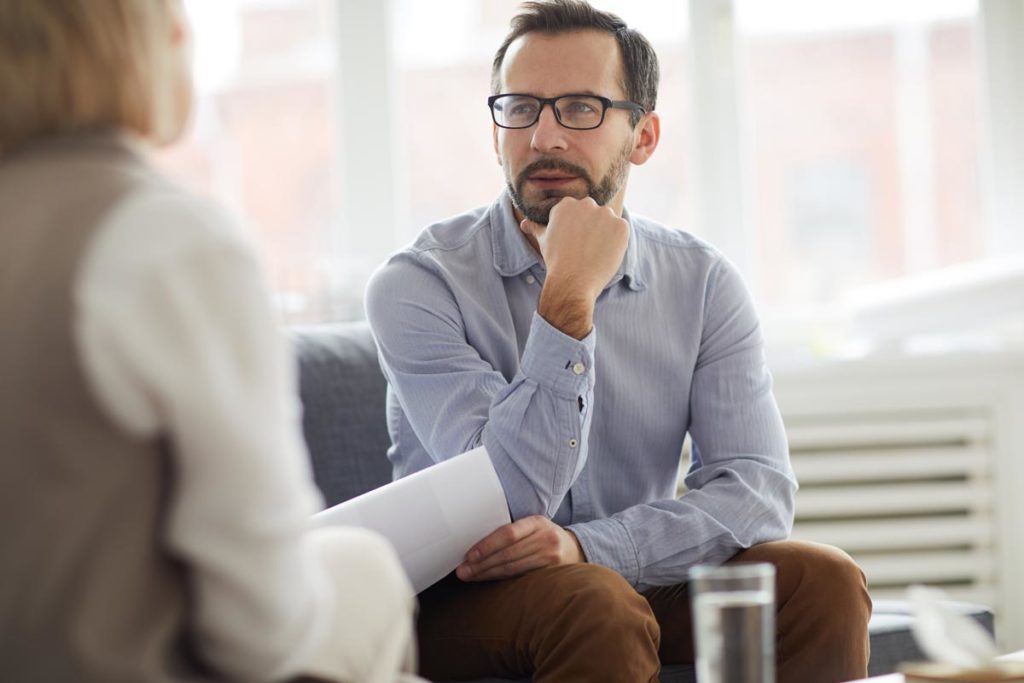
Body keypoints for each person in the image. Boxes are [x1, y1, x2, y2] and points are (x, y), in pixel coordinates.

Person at [365, 1, 872, 681]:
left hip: (619, 572)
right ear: (495, 133)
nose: (544, 136)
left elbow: (756, 490)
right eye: (520, 108)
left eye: (580, 108)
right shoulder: (418, 284)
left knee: (823, 581)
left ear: (644, 136)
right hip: (458, 599)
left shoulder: (702, 282)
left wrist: (590, 546)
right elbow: (512, 499)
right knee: (597, 604)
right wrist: (568, 295)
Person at [0, 2, 420, 681]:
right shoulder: (167, 240)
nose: (185, 34)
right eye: (167, 16)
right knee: (369, 571)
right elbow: (264, 630)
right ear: (131, 47)